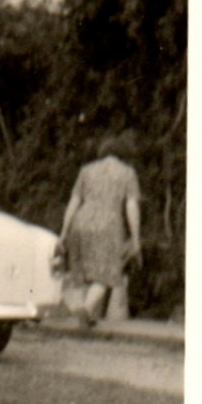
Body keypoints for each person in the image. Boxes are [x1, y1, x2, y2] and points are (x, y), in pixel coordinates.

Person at [60, 130, 143, 326]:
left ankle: (86, 315)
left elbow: (74, 201)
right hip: (109, 224)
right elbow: (131, 206)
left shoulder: (86, 170)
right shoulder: (127, 173)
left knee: (82, 271)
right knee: (107, 273)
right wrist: (136, 238)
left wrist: (64, 231)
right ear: (122, 154)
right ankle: (87, 309)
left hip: (81, 222)